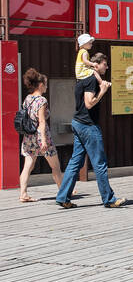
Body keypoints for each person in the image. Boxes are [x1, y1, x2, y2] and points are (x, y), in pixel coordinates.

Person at [56, 52, 125, 209]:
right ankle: (109, 199)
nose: (107, 67)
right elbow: (89, 103)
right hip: (88, 126)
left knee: (76, 161)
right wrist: (103, 91)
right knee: (99, 163)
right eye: (105, 64)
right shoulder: (93, 80)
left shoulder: (82, 78)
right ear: (97, 63)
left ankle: (63, 196)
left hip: (78, 123)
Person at [18, 67, 66, 202]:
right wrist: (44, 140)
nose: (46, 87)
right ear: (40, 85)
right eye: (45, 84)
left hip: (28, 136)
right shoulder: (42, 101)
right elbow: (42, 122)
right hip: (41, 137)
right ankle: (63, 192)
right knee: (55, 166)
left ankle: (23, 194)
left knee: (28, 165)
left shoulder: (27, 99)